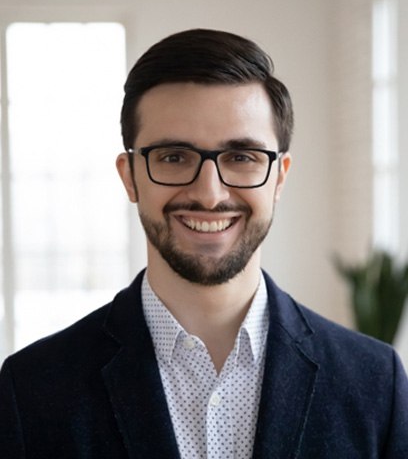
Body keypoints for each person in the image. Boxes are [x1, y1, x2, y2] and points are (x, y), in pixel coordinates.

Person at [0, 28, 407, 459]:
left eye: (242, 157)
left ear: (279, 176)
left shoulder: (375, 384)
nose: (210, 194)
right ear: (129, 176)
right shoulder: (33, 391)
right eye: (174, 157)